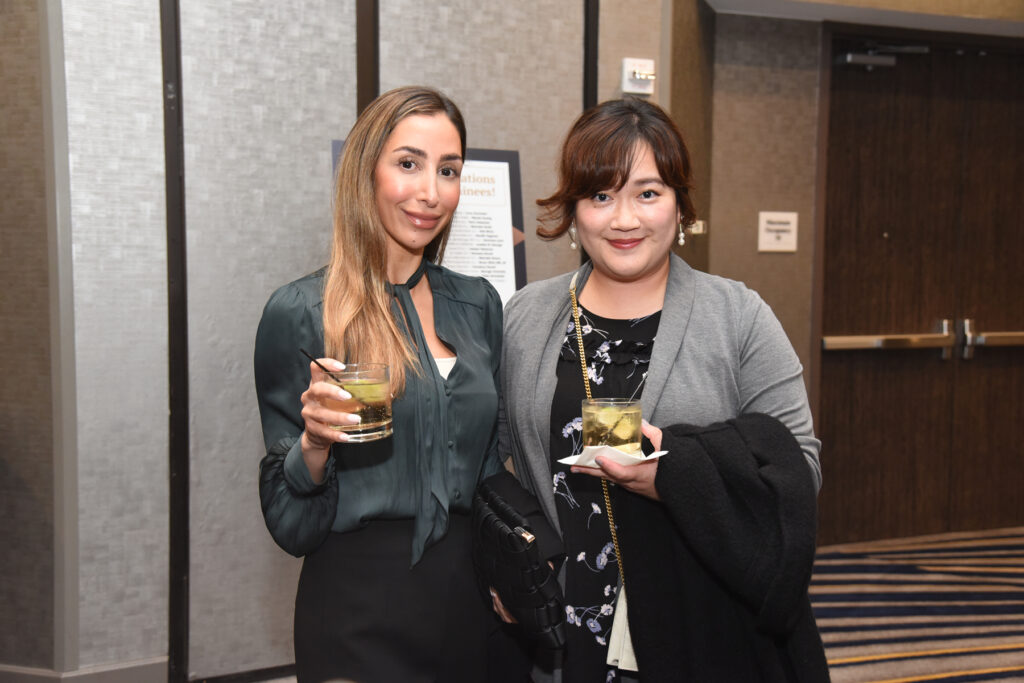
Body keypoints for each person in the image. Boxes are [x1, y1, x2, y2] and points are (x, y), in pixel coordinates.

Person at [496, 97, 830, 681]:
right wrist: (510, 562)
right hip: (562, 629)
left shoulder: (739, 317)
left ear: (679, 205)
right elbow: (492, 457)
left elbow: (799, 471)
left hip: (698, 626)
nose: (624, 219)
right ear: (574, 211)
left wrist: (676, 481)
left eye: (647, 193)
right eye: (601, 196)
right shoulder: (527, 316)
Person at [254, 86, 507, 683]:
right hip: (356, 611)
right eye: (409, 164)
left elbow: (490, 466)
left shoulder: (478, 304)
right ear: (365, 173)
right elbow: (290, 523)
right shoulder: (302, 311)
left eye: (448, 170)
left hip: (469, 604)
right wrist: (314, 445)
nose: (431, 192)